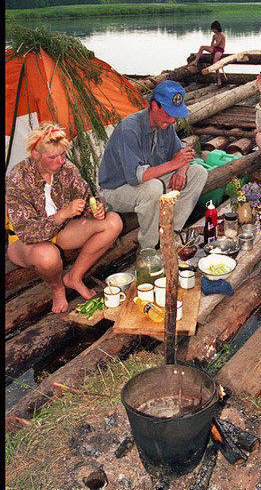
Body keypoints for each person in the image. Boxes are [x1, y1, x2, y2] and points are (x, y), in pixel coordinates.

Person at [6, 122, 123, 314]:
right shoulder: (17, 178)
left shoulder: (66, 168)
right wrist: (63, 214)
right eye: (53, 157)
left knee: (112, 221)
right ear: (36, 156)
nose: (60, 161)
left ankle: (74, 277)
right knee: (48, 254)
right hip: (24, 242)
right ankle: (58, 287)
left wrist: (95, 210)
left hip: (59, 231)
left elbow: (86, 198)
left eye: (62, 154)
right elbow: (27, 232)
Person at [98, 80, 208, 249]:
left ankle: (171, 235)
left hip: (149, 181)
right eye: (169, 113)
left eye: (175, 115)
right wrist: (174, 164)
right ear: (154, 106)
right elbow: (137, 176)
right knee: (153, 188)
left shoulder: (166, 126)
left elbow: (184, 155)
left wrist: (181, 170)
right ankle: (147, 250)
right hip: (116, 190)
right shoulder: (130, 128)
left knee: (199, 172)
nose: (173, 120)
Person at [188, 20, 226, 87]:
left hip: (219, 50)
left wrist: (213, 45)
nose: (213, 31)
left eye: (214, 29)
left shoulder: (221, 35)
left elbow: (217, 44)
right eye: (212, 29)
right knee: (202, 47)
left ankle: (219, 79)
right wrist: (211, 45)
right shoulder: (214, 36)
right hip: (214, 48)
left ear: (217, 29)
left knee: (215, 62)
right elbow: (212, 44)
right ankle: (196, 61)